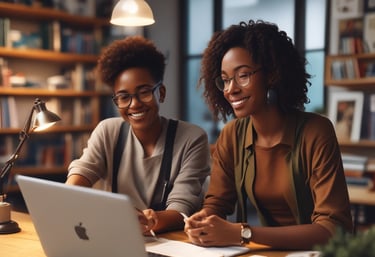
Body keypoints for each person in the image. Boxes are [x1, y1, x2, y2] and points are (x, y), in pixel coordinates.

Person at [184, 20, 353, 250]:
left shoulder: (316, 131)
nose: (230, 89)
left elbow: (332, 228)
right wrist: (203, 220)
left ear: (272, 74)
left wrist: (243, 233)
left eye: (242, 75)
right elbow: (218, 201)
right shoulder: (232, 135)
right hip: (267, 252)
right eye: (225, 80)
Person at [66, 35, 211, 235]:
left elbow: (181, 210)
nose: (134, 104)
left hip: (170, 243)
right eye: (124, 97)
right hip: (115, 239)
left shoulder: (192, 138)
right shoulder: (108, 131)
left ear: (161, 92)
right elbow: (79, 178)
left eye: (144, 92)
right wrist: (69, 194)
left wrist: (147, 221)